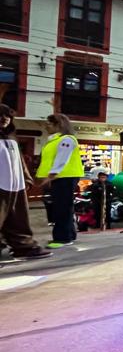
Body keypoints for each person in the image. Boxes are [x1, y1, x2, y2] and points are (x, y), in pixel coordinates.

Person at [0, 105, 50, 259]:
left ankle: (23, 246)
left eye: (8, 116)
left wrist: (27, 178)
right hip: (3, 186)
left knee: (18, 219)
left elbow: (19, 161)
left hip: (15, 186)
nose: (4, 119)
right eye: (1, 115)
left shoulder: (11, 139)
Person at [36, 113, 84, 248]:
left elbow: (61, 160)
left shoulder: (66, 139)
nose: (46, 126)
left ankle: (62, 238)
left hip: (64, 177)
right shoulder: (55, 140)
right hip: (60, 178)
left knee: (61, 208)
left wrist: (50, 176)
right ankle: (69, 234)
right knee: (63, 207)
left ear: (58, 125)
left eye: (49, 124)